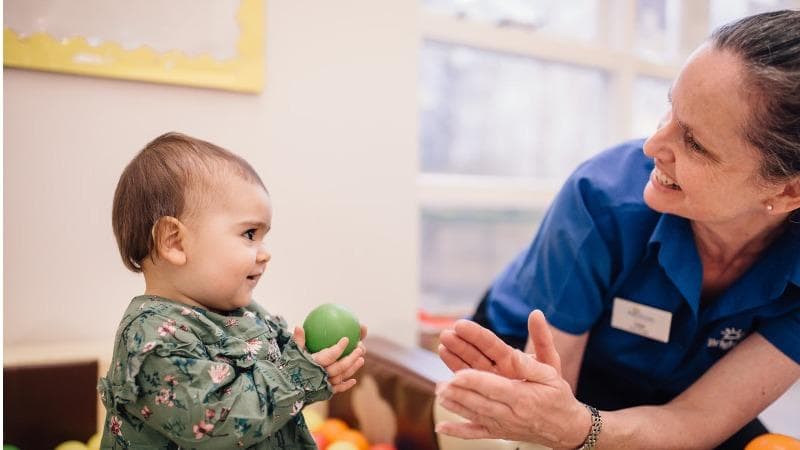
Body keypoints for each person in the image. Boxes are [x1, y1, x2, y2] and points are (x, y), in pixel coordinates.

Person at [436, 10, 800, 450]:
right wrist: (570, 427)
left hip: (680, 391)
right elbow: (550, 406)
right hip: (536, 362)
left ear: (787, 191)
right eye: (670, 107)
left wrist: (581, 430)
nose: (653, 146)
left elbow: (698, 420)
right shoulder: (602, 196)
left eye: (695, 144)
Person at [98, 132, 366, 449]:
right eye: (249, 234)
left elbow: (274, 389)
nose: (264, 253)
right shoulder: (152, 337)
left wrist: (316, 366)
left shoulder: (243, 313)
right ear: (174, 242)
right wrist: (297, 376)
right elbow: (215, 422)